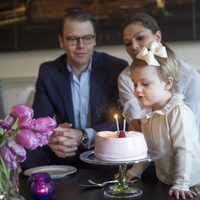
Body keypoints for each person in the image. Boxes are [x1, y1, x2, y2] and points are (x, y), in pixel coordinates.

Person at [21, 9, 128, 169]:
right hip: (65, 151)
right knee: (27, 156)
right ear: (61, 41)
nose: (81, 46)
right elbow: (40, 122)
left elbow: (123, 122)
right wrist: (54, 137)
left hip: (105, 148)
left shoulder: (116, 68)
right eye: (72, 39)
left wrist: (84, 134)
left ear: (94, 40)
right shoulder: (48, 72)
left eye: (87, 38)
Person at [127, 41, 200, 199]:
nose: (137, 90)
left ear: (167, 83)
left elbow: (184, 150)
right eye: (134, 84)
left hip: (192, 185)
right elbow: (149, 151)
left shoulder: (178, 112)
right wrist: (134, 172)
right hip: (168, 183)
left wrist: (182, 182)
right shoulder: (148, 114)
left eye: (145, 84)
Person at [118, 12, 200, 132]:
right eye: (128, 43)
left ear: (157, 37)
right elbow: (135, 121)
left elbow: (194, 124)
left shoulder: (189, 75)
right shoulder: (125, 78)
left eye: (140, 38)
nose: (134, 46)